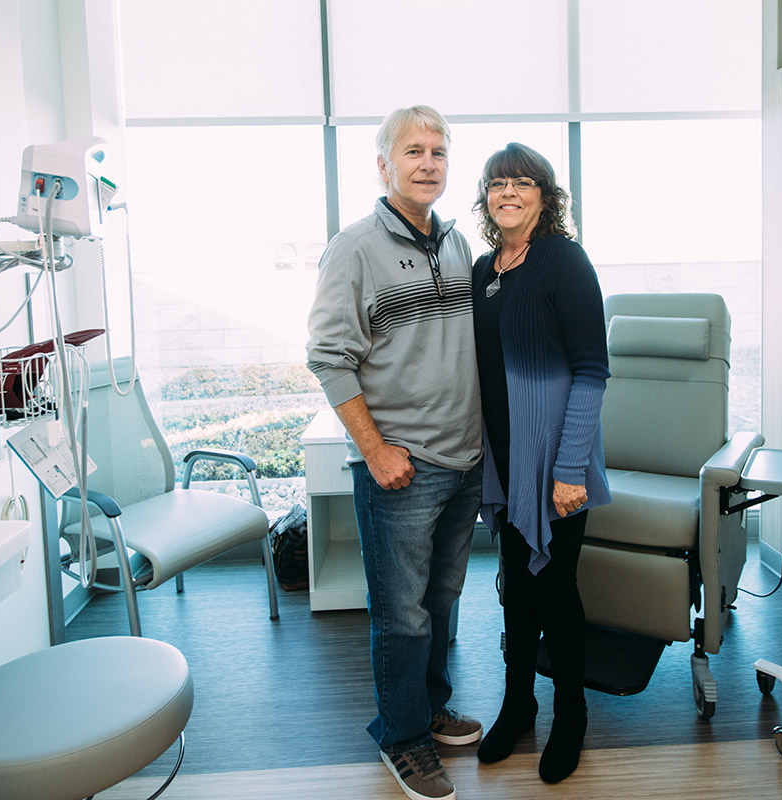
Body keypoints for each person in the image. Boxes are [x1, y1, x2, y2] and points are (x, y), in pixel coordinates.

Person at [306, 105, 483, 800]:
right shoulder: (354, 249)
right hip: (402, 469)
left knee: (442, 601)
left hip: (465, 462)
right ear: (384, 164)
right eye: (413, 150)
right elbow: (327, 356)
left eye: (439, 150)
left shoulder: (459, 244)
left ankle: (430, 709)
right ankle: (403, 738)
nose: (429, 161)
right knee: (402, 614)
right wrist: (375, 450)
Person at [470, 143, 610, 783]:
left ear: (545, 196)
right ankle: (517, 703)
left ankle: (570, 714)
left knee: (554, 591)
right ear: (486, 198)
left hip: (555, 459)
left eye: (522, 183)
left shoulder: (563, 260)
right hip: (504, 457)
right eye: (497, 184)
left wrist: (570, 468)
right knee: (515, 594)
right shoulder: (485, 269)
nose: (508, 193)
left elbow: (591, 370)